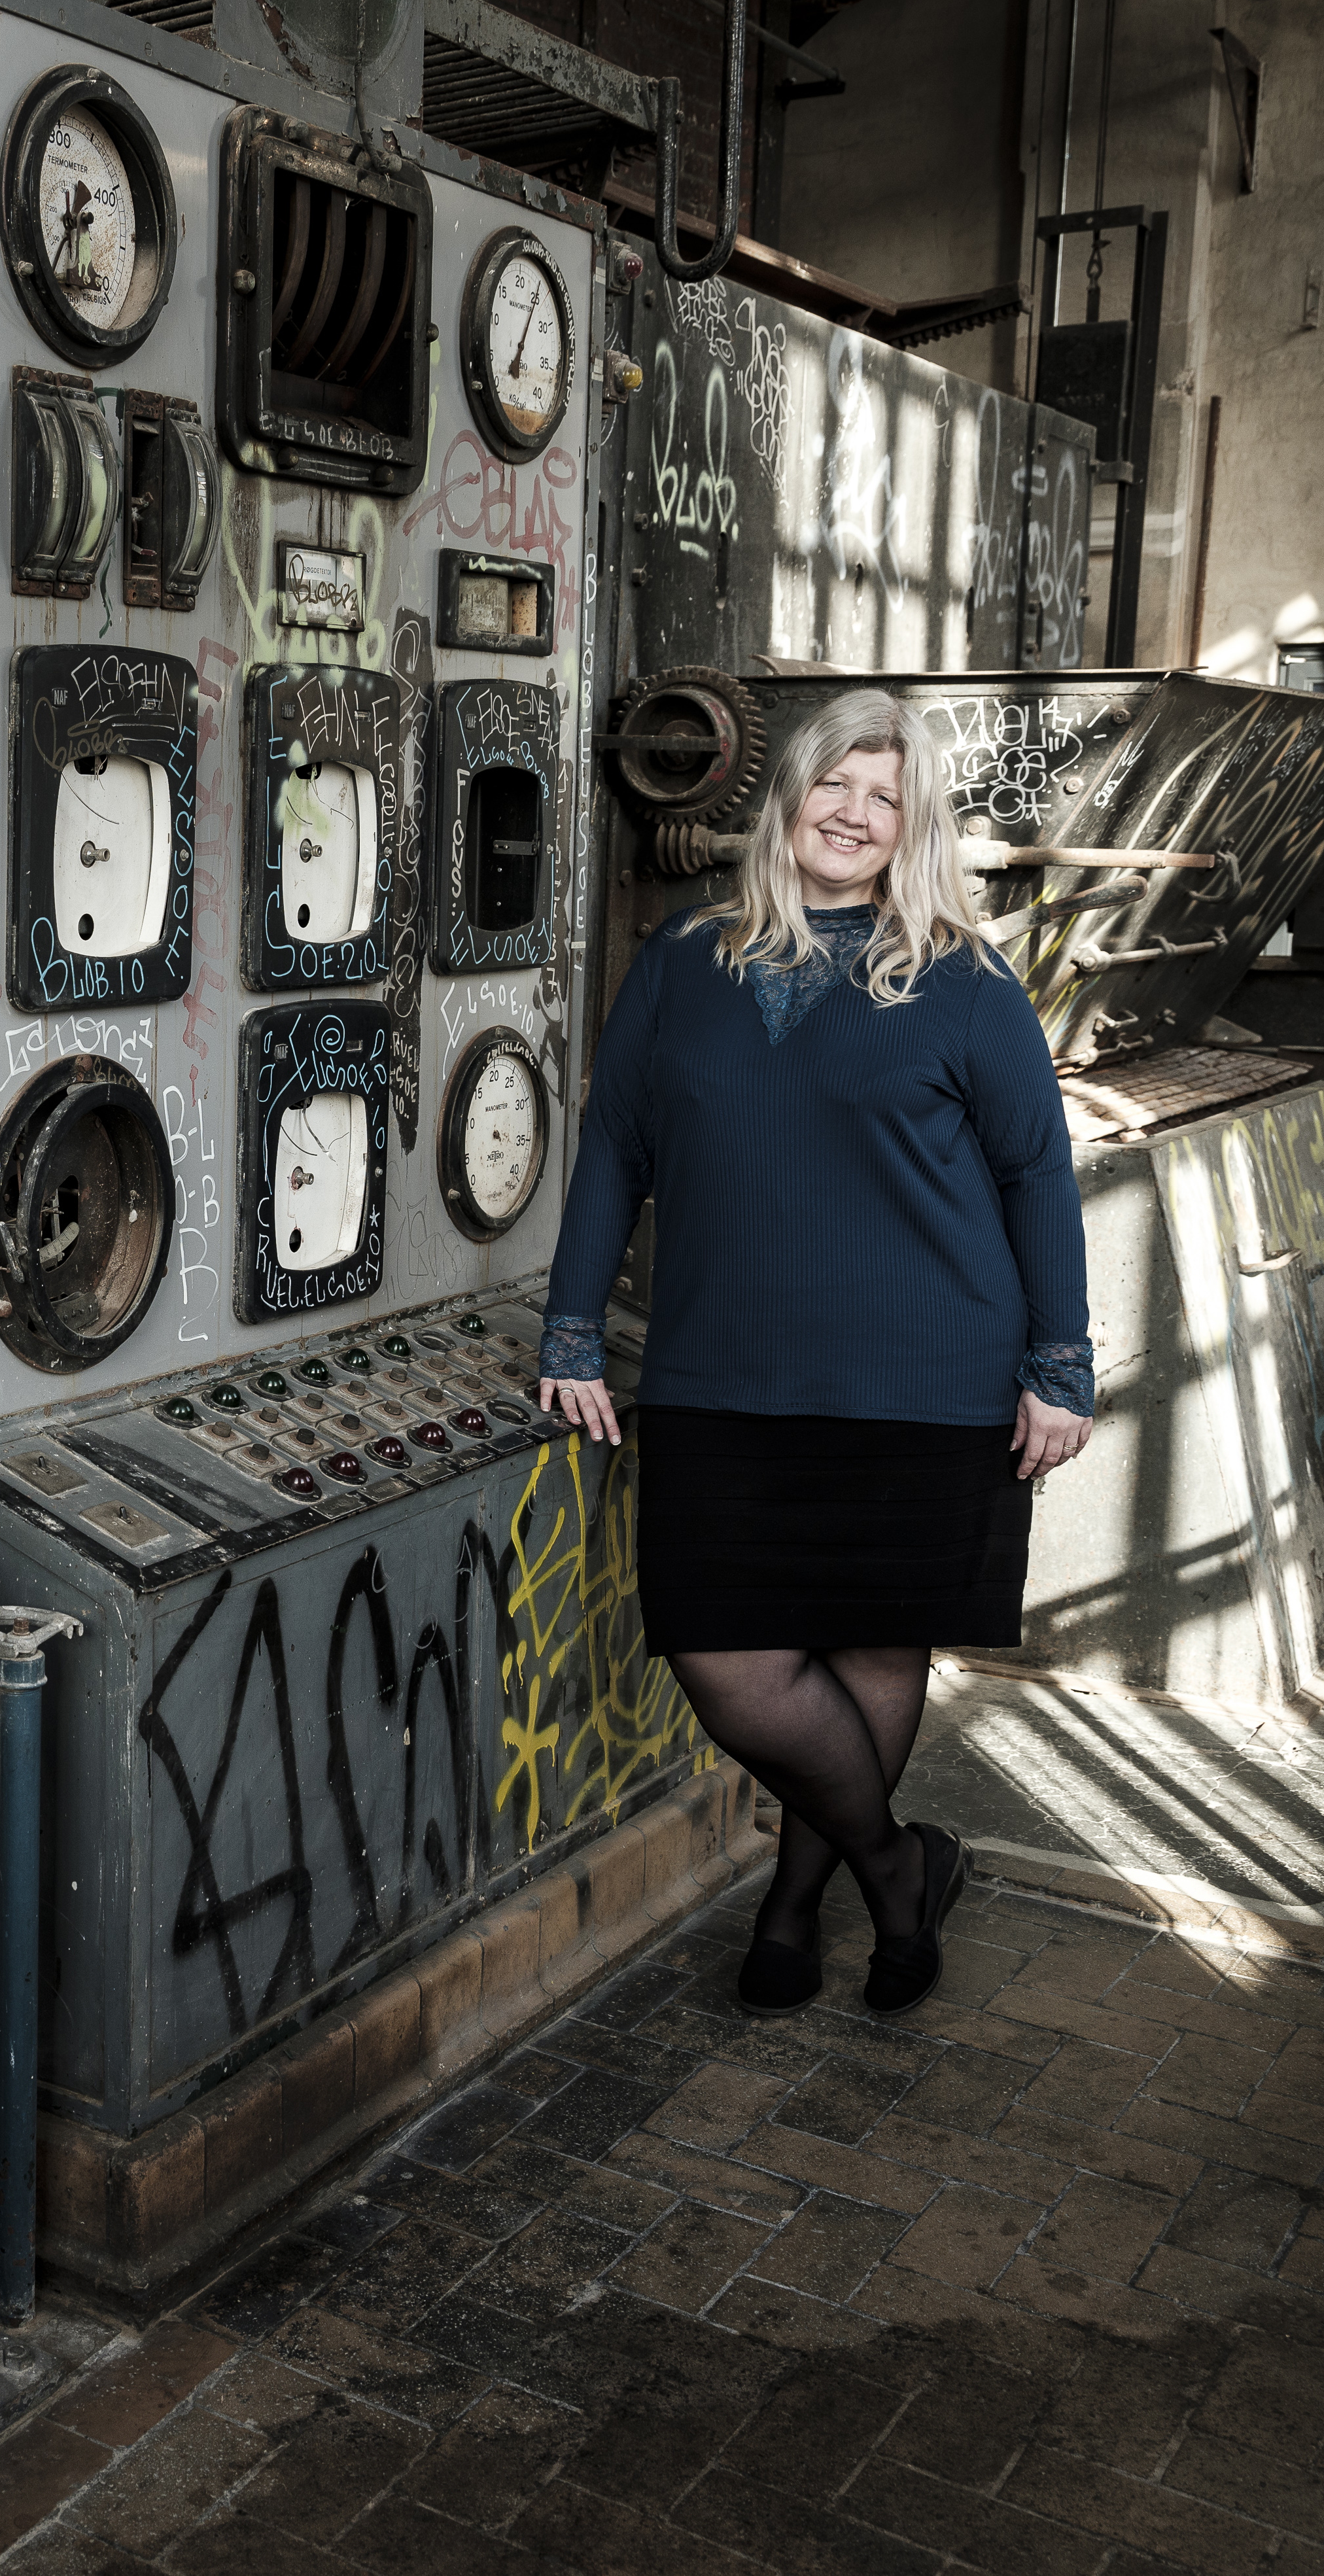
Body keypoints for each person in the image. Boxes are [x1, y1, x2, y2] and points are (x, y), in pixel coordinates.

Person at [535, 687, 1090, 2019]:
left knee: (871, 1654)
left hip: (924, 1382)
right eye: (832, 784)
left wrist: (1057, 1366)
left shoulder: (960, 977)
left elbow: (1034, 1174)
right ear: (783, 797)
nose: (851, 813)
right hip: (720, 1372)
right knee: (725, 1655)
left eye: (882, 797)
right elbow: (613, 1142)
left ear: (912, 827)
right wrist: (568, 1324)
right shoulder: (683, 959)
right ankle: (898, 1872)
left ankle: (791, 1903)